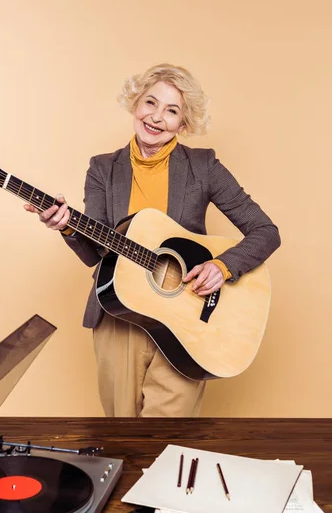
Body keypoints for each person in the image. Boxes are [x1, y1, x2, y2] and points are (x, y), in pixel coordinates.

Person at [24, 63, 281, 417]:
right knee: (123, 439)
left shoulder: (203, 167)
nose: (156, 117)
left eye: (171, 111)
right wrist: (67, 226)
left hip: (186, 320)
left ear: (184, 124)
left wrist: (222, 267)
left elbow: (266, 232)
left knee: (164, 442)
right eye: (150, 103)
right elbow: (96, 253)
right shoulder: (103, 168)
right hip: (118, 318)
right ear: (135, 104)